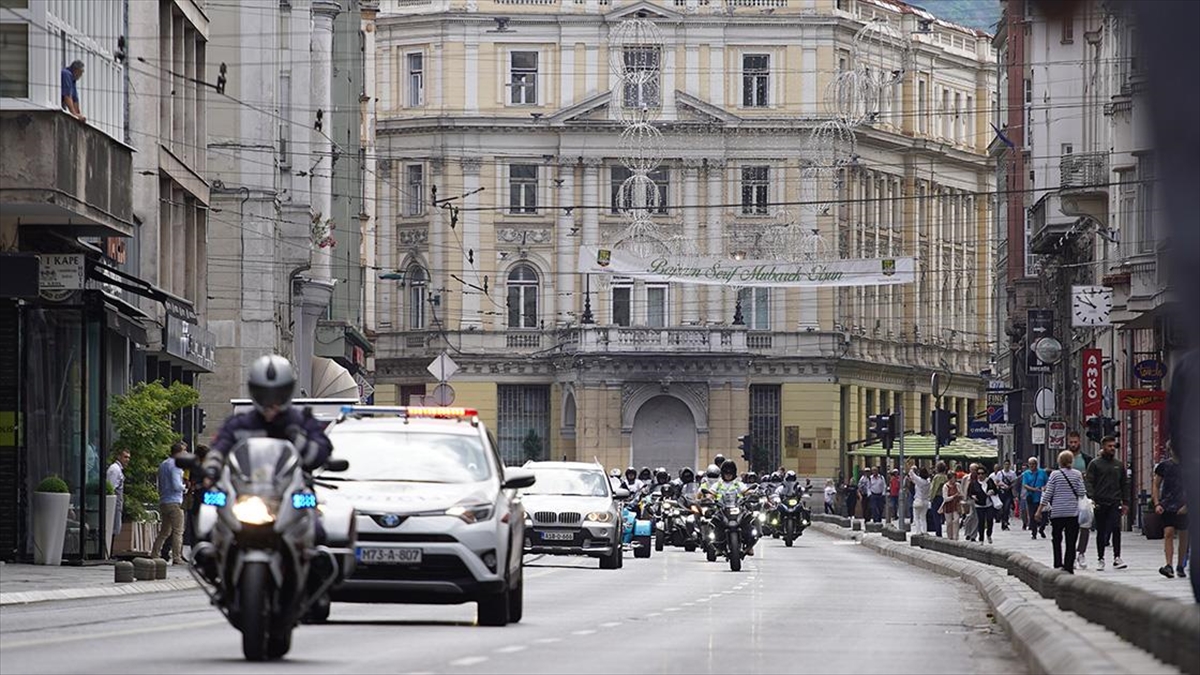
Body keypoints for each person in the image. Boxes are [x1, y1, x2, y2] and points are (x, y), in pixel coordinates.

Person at [1036, 450, 1087, 574]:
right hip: (1072, 513)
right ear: (1071, 461)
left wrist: (1039, 510)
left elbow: (1048, 493)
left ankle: (1058, 563)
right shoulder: (1077, 474)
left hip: (1057, 513)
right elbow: (1081, 492)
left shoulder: (1054, 474)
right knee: (1071, 540)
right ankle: (1069, 566)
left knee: (1057, 539)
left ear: (1059, 461)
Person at [1086, 435, 1129, 570]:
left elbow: (1124, 484)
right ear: (1103, 447)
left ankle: (1117, 557)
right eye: (1109, 446)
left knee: (1116, 528)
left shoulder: (1118, 465)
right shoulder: (1095, 464)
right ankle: (1101, 558)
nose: (1112, 448)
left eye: (1113, 446)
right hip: (1100, 501)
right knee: (1101, 530)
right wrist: (1092, 498)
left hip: (1115, 501)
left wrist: (1125, 502)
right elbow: (1089, 482)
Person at [1153, 441, 1189, 579]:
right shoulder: (1164, 466)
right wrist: (1157, 503)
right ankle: (1169, 565)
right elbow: (1156, 485)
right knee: (1168, 533)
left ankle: (1180, 565)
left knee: (1183, 536)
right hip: (1167, 505)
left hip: (1184, 505)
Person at [152, 441, 188, 564]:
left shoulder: (163, 464)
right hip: (175, 501)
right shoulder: (176, 466)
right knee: (178, 531)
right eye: (184, 451)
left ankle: (155, 553)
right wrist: (185, 487)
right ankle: (177, 557)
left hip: (164, 500)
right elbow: (176, 485)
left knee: (164, 531)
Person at [1067, 432, 1092, 569]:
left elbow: (1093, 476)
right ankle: (1071, 554)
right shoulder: (1064, 459)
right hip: (1068, 498)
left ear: (1079, 442)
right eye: (1071, 442)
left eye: (1075, 442)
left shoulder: (1086, 459)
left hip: (1083, 496)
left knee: (1085, 525)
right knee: (1070, 527)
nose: (1073, 445)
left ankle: (1081, 552)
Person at [105, 448, 130, 551]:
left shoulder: (118, 469)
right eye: (125, 457)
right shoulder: (115, 470)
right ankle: (109, 552)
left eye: (128, 457)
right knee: (112, 528)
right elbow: (111, 487)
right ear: (119, 457)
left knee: (115, 528)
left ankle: (110, 551)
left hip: (117, 504)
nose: (127, 460)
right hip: (113, 505)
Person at [968, 465, 997, 543]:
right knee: (981, 521)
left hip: (989, 504)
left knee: (990, 519)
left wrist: (992, 492)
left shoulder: (989, 481)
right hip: (979, 505)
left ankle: (989, 534)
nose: (980, 475)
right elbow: (970, 493)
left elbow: (996, 490)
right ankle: (981, 538)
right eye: (978, 473)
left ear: (985, 474)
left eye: (982, 473)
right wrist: (973, 496)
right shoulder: (974, 483)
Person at [1021, 457, 1047, 539]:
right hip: (1031, 497)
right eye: (1030, 464)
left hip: (1042, 497)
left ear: (1036, 464)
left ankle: (1042, 529)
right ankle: (1034, 532)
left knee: (1044, 515)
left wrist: (1044, 487)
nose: (1032, 466)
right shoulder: (1026, 474)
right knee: (1032, 515)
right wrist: (1033, 489)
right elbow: (1025, 485)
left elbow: (1048, 482)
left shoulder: (1042, 472)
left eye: (1033, 464)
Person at [928, 462, 948, 537]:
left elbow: (934, 488)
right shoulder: (946, 477)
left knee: (936, 516)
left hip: (937, 498)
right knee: (945, 515)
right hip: (944, 497)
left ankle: (938, 532)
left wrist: (931, 498)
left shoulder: (937, 477)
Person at [909, 463, 931, 535]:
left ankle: (918, 531)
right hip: (925, 501)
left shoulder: (919, 481)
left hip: (918, 500)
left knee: (916, 517)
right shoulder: (928, 481)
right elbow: (914, 479)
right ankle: (925, 531)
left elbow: (912, 474)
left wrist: (911, 468)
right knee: (923, 517)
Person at [941, 472, 963, 540]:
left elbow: (961, 493)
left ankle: (955, 537)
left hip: (956, 505)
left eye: (955, 478)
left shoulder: (958, 485)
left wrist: (960, 496)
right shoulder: (945, 486)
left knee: (956, 520)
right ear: (949, 479)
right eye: (953, 478)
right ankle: (949, 536)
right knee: (949, 522)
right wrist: (953, 496)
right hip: (948, 505)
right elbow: (945, 498)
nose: (955, 480)